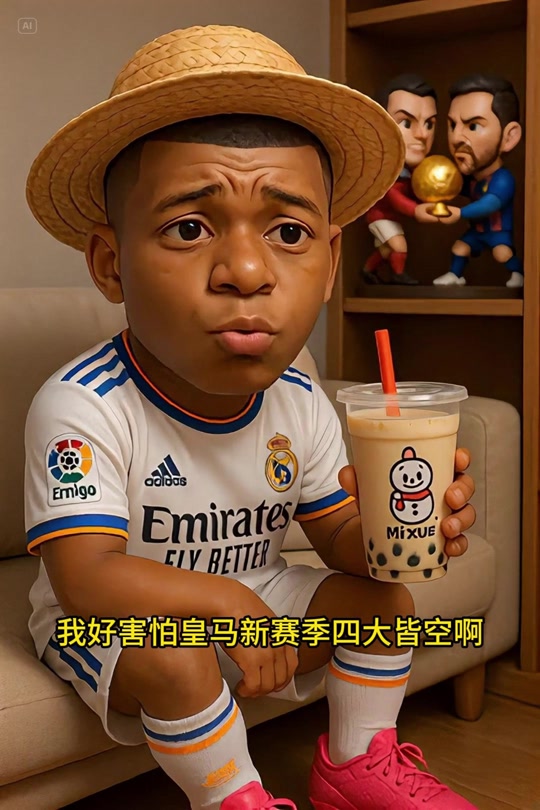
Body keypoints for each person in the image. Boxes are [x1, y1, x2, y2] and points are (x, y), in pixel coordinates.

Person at [24, 25, 477, 810]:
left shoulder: (298, 394)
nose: (245, 271)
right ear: (110, 264)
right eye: (189, 228)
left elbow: (337, 539)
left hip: (257, 593)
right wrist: (227, 605)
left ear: (329, 264)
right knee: (179, 655)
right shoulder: (82, 402)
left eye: (289, 233)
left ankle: (354, 764)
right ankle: (233, 796)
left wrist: (397, 529)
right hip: (112, 623)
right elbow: (87, 578)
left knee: (384, 606)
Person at [433, 74, 523, 287]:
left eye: (473, 126)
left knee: (502, 254)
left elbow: (490, 203)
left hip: (497, 232)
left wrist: (460, 213)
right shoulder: (471, 178)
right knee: (460, 248)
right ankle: (455, 275)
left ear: (509, 137)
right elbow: (456, 188)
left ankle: (519, 274)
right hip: (477, 232)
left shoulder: (503, 179)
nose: (456, 138)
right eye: (452, 125)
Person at [362, 74, 441, 286]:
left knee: (386, 249)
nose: (422, 134)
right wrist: (415, 210)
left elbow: (412, 191)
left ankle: (368, 271)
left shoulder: (410, 170)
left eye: (429, 124)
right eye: (406, 123)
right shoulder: (388, 170)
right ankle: (398, 276)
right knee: (399, 246)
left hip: (390, 217)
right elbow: (394, 196)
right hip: (379, 216)